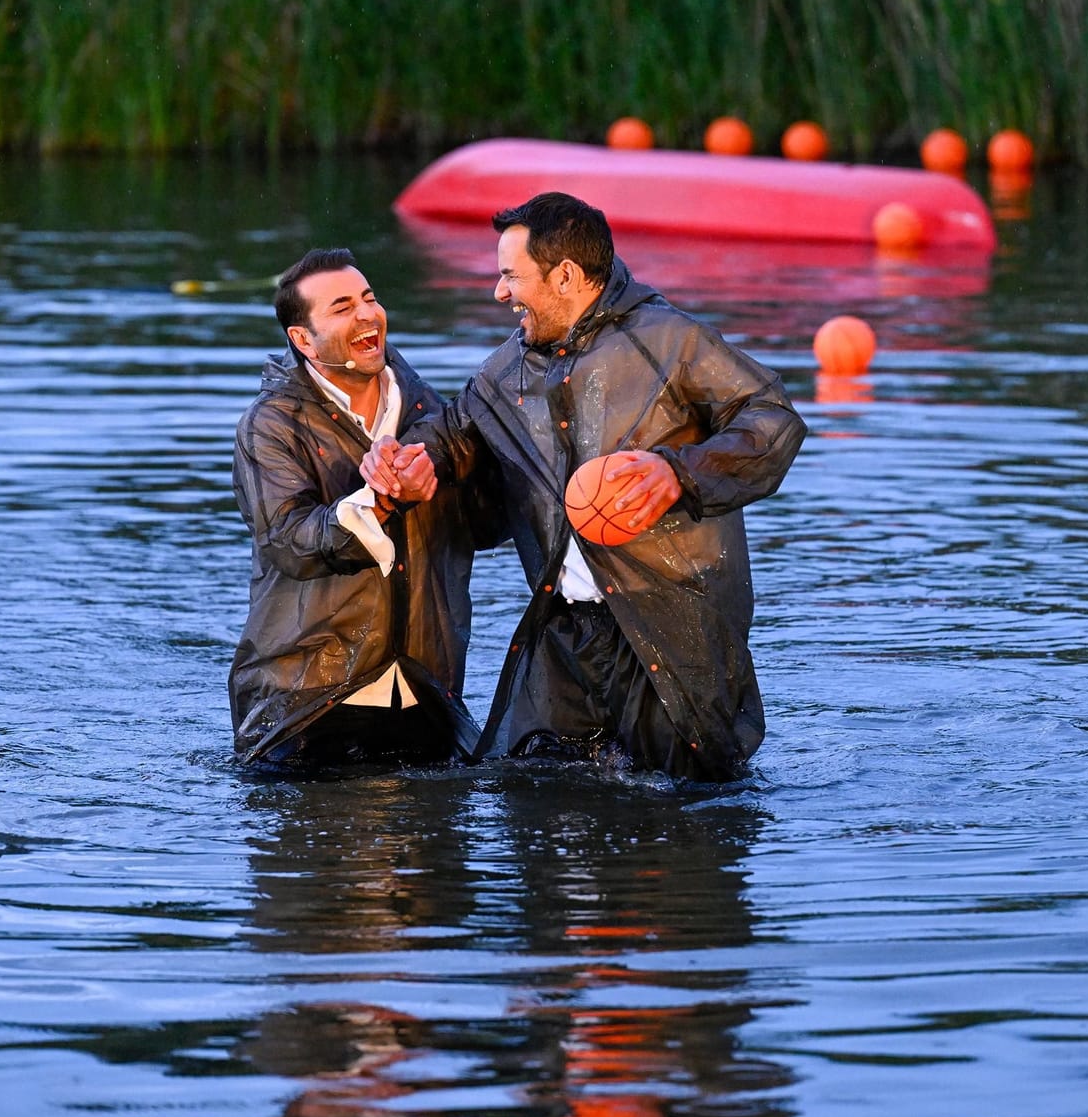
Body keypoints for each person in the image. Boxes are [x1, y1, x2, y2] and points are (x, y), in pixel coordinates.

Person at [363, 193, 806, 781]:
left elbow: (774, 420)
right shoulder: (506, 369)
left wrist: (677, 471)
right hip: (561, 633)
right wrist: (401, 461)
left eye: (509, 277)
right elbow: (447, 437)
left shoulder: (672, 341)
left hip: (672, 627)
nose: (500, 293)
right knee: (528, 797)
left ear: (565, 275)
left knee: (687, 814)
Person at [230, 247, 498, 771]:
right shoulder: (269, 426)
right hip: (307, 700)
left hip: (427, 686)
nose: (367, 314)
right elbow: (290, 542)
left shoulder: (433, 411)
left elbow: (487, 523)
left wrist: (444, 480)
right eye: (342, 307)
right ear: (302, 339)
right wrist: (379, 500)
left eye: (369, 298)